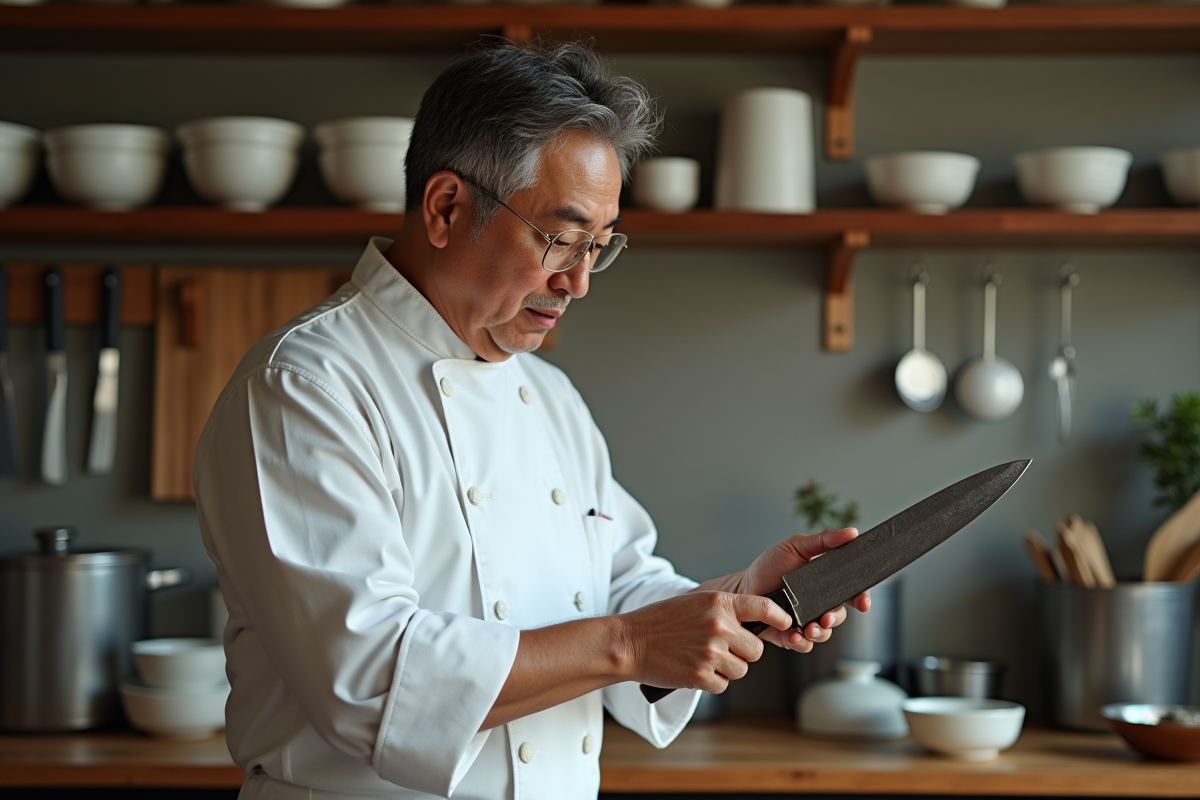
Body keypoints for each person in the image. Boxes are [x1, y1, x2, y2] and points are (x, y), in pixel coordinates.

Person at [195, 42, 870, 800]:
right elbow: (368, 677)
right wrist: (629, 643)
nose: (578, 282)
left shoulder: (550, 397)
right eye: (560, 238)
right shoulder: (306, 386)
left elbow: (615, 589)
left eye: (598, 247)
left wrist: (744, 597)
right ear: (446, 208)